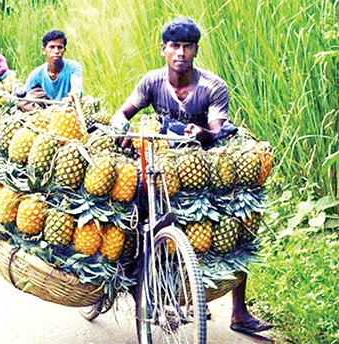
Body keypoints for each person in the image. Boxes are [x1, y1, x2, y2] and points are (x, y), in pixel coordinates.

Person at [110, 17, 272, 335]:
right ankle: (151, 287)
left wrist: (203, 134)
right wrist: (120, 130)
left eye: (187, 46)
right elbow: (124, 112)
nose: (180, 52)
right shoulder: (151, 82)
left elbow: (217, 132)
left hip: (205, 162)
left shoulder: (213, 86)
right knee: (135, 214)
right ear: (163, 50)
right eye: (174, 46)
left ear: (195, 50)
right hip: (164, 161)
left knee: (234, 221)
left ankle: (239, 311)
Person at [21, 29, 83, 101]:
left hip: (67, 107)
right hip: (44, 109)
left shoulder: (74, 67)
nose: (56, 51)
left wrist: (72, 96)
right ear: (44, 50)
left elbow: (77, 89)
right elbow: (24, 94)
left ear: (64, 50)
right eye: (52, 47)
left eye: (60, 47)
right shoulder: (36, 74)